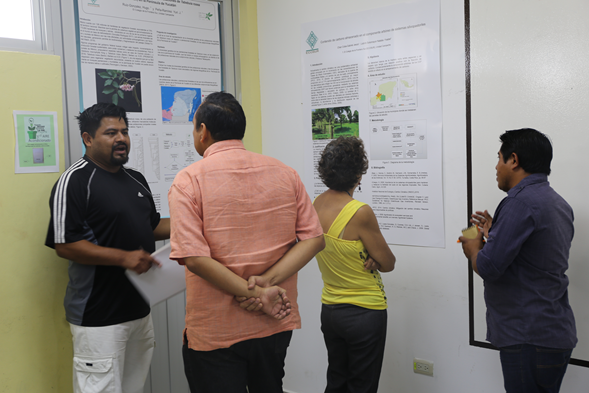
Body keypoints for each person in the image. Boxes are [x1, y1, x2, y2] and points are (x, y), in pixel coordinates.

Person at [167, 92, 325, 393]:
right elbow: (314, 240)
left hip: (217, 331)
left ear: (203, 132)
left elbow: (194, 258)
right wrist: (264, 286)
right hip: (274, 321)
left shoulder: (188, 180)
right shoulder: (285, 173)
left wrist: (250, 292)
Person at [45, 103, 170, 393]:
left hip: (139, 309)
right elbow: (65, 244)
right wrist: (124, 258)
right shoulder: (74, 181)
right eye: (111, 132)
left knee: (132, 388)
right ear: (88, 139)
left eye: (125, 131)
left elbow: (152, 226)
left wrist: (193, 223)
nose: (121, 138)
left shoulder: (135, 179)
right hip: (98, 316)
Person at [460, 128, 576, 393]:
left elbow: (488, 266)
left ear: (513, 160)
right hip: (553, 332)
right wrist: (496, 233)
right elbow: (535, 253)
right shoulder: (558, 203)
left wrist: (473, 246)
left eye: (499, 158)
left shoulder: (519, 203)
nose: (496, 167)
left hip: (528, 336)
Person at [313, 136, 396, 393]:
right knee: (362, 385)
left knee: (336, 381)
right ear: (358, 175)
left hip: (331, 310)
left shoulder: (316, 204)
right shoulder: (360, 212)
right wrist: (375, 259)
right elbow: (389, 262)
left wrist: (372, 256)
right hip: (365, 313)